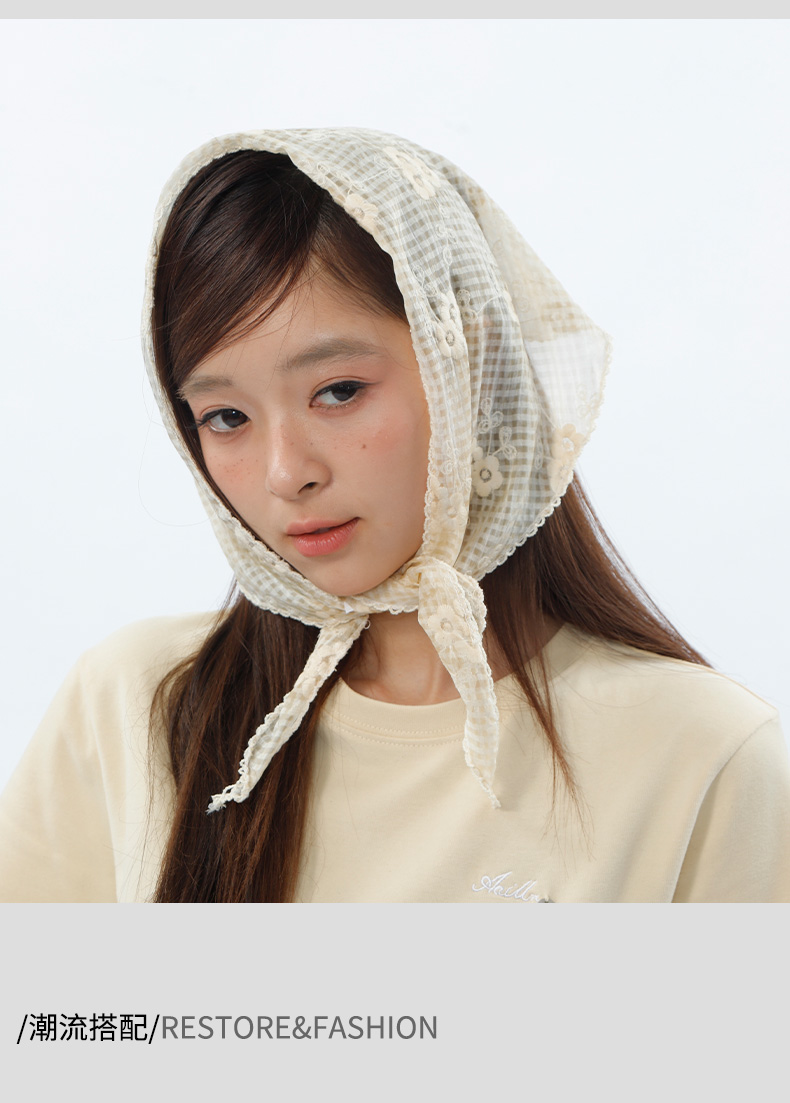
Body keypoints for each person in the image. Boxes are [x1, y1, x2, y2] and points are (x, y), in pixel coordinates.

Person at [1, 128, 788, 903]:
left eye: (338, 391)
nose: (286, 473)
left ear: (471, 364)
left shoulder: (703, 754)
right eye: (226, 417)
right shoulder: (134, 703)